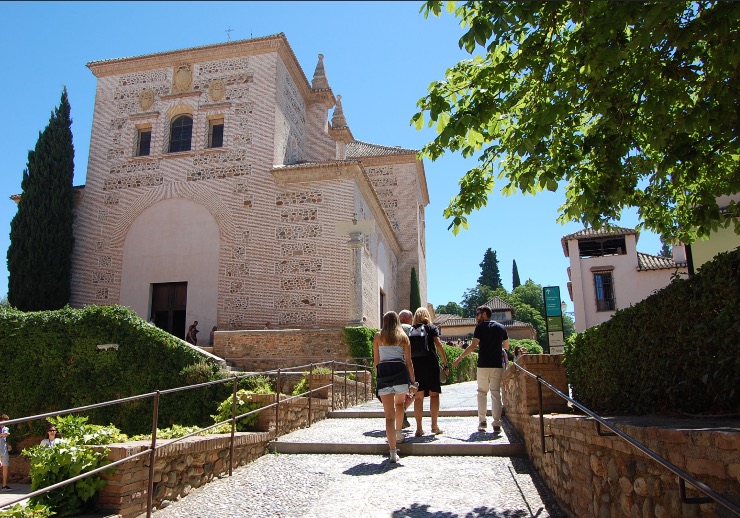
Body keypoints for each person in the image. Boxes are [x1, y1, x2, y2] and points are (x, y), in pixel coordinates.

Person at [452, 305, 510, 434]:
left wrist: (459, 358)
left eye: (477, 314)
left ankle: (482, 421)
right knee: (495, 393)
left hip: (483, 364)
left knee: (482, 393)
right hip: (496, 365)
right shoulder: (501, 328)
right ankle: (496, 423)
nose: (476, 316)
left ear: (484, 314)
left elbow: (472, 346)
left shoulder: (480, 328)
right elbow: (506, 346)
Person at [373, 311, 416, 463]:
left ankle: (392, 452)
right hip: (400, 373)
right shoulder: (403, 338)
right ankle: (398, 433)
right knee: (400, 405)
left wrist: (378, 376)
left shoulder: (378, 336)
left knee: (388, 416)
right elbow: (409, 362)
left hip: (384, 373)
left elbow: (376, 361)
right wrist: (413, 381)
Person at [408, 307, 450, 437]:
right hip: (431, 363)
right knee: (434, 395)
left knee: (418, 397)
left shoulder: (411, 330)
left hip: (416, 364)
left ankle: (419, 429)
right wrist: (445, 363)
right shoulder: (431, 328)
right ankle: (434, 426)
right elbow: (438, 344)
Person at [398, 310, 414, 429]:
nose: (412, 320)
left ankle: (400, 413)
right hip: (407, 363)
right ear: (406, 318)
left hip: (393, 364)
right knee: (414, 390)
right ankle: (402, 410)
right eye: (411, 317)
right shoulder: (410, 329)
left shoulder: (393, 329)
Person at [0, 414, 11, 490]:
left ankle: (4, 485)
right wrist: (3, 434)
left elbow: (4, 439)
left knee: (5, 466)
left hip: (3, 449)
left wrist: (8, 445)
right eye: (4, 420)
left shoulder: (6, 428)